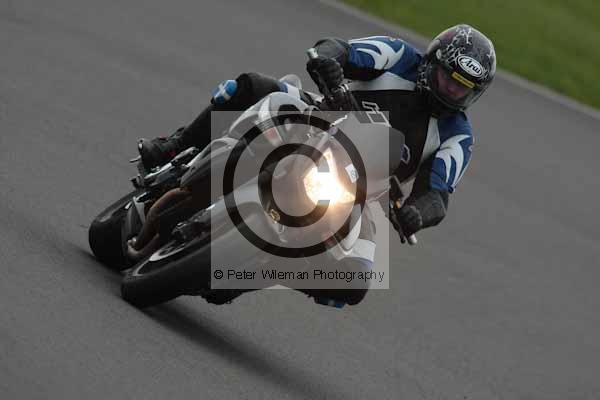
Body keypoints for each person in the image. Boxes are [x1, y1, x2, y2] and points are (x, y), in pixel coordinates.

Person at [134, 24, 496, 307]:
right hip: (316, 121)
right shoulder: (400, 56)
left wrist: (418, 213)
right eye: (448, 79)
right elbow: (340, 48)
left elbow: (438, 195)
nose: (451, 92)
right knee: (253, 86)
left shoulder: (458, 136)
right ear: (432, 62)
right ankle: (174, 148)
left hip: (357, 193)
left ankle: (251, 273)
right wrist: (329, 63)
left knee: (355, 281)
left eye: (462, 89)